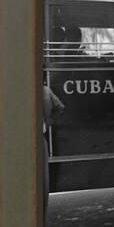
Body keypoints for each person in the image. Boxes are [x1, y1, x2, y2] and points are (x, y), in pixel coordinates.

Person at [43, 83, 66, 219]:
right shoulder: (45, 90)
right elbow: (59, 107)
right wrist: (48, 122)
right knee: (43, 183)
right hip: (40, 139)